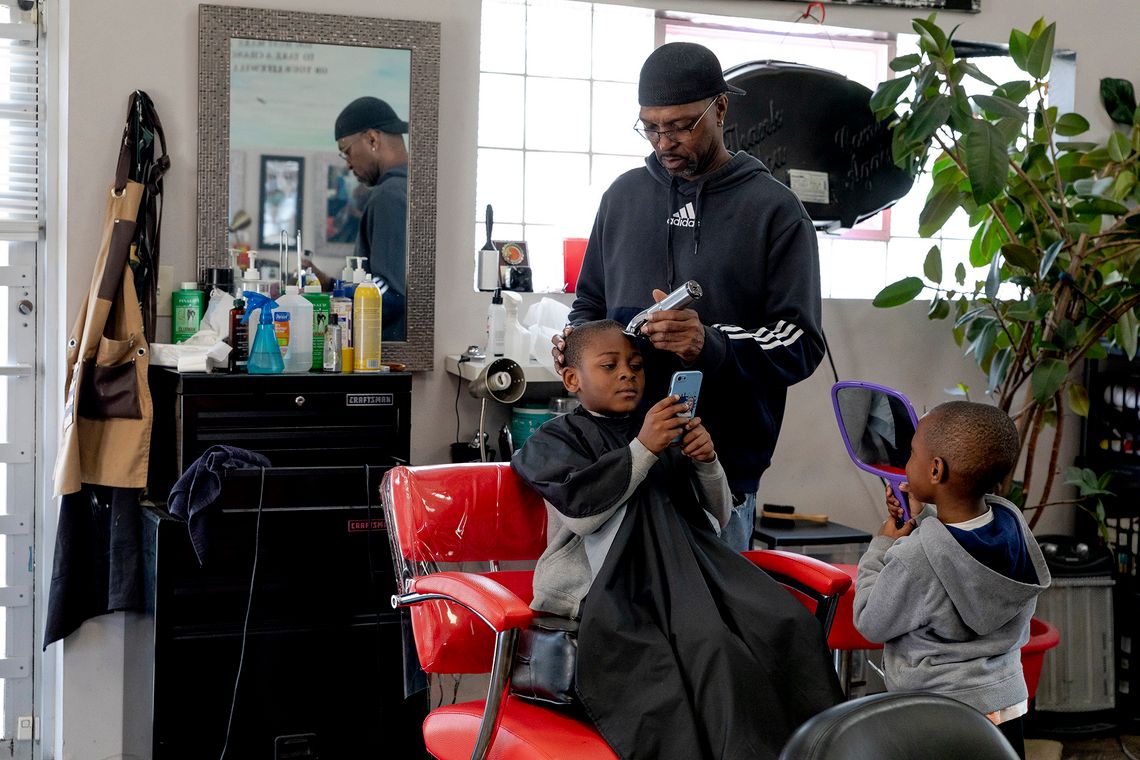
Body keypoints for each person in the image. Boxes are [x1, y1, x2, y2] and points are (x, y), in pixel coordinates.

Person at [514, 319, 843, 760]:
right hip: (609, 589)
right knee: (714, 650)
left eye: (635, 365)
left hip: (691, 575)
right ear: (573, 378)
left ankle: (817, 750)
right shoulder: (555, 439)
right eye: (609, 366)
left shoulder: (659, 428)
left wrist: (706, 461)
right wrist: (643, 449)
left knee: (787, 624)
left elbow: (714, 515)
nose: (627, 374)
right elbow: (583, 512)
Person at [554, 42, 824, 552]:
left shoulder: (776, 211)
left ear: (720, 108)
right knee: (617, 626)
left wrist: (710, 343)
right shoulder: (623, 197)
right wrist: (575, 345)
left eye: (680, 125)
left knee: (713, 629)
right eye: (651, 127)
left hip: (717, 473)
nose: (664, 141)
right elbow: (589, 307)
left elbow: (801, 344)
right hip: (622, 465)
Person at [852, 401, 1052, 760]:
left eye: (912, 452)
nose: (906, 461)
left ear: (935, 470)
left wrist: (884, 543)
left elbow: (870, 619)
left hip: (937, 716)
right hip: (1003, 706)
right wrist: (925, 514)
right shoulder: (1012, 525)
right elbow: (961, 545)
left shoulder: (917, 559)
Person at [332, 95, 408, 341]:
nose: (348, 165)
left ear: (372, 139)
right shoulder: (413, 188)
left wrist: (331, 304)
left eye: (347, 152)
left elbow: (391, 292)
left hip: (386, 349)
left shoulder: (389, 195)